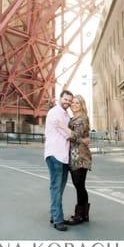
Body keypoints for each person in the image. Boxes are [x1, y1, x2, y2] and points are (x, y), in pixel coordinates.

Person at [44, 90, 73, 231]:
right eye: (65, 99)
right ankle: (57, 219)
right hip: (55, 153)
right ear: (60, 98)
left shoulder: (66, 115)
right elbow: (68, 134)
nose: (67, 102)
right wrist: (71, 133)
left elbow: (68, 133)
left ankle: (54, 214)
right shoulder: (55, 112)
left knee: (59, 187)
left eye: (69, 100)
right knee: (56, 187)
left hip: (63, 155)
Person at [64, 94, 93, 225]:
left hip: (80, 156)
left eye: (77, 103)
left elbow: (76, 136)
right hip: (74, 154)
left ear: (82, 105)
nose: (74, 104)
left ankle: (79, 215)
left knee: (79, 185)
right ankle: (84, 214)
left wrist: (63, 128)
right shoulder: (73, 118)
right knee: (79, 186)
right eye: (73, 102)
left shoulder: (82, 118)